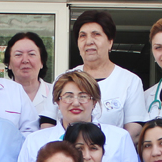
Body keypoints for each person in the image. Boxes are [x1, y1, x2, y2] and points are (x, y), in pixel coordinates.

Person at [12, 71, 139, 162]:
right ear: (57, 102)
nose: (76, 103)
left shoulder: (119, 138)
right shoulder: (35, 141)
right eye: (68, 96)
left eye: (83, 96)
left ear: (94, 102)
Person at [61, 10, 146, 141]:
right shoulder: (64, 79)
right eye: (82, 36)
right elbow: (49, 124)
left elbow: (134, 132)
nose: (89, 41)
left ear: (110, 42)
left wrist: (101, 150)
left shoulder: (130, 81)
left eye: (96, 34)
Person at [4, 32, 55, 127]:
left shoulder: (55, 94)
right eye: (18, 54)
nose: (25, 60)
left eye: (31, 54)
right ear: (9, 64)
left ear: (42, 62)